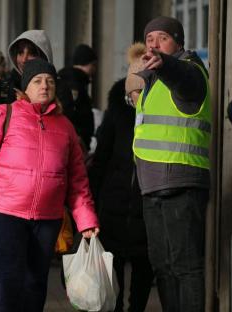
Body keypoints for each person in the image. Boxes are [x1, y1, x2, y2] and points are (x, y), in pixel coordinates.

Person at [0, 58, 99, 312]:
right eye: (37, 81)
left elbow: (77, 179)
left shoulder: (65, 126)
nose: (44, 86)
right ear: (25, 88)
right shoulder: (3, 115)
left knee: (36, 282)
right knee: (10, 279)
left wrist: (86, 220)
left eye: (50, 81)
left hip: (48, 218)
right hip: (7, 215)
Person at [133, 16, 211, 312]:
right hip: (152, 186)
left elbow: (182, 78)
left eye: (162, 37)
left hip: (181, 183)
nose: (154, 44)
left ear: (178, 42)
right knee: (163, 266)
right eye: (149, 38)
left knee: (186, 266)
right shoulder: (152, 81)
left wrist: (165, 64)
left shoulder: (188, 71)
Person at [89, 43, 154, 312]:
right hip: (115, 200)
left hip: (145, 198)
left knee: (143, 266)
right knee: (113, 263)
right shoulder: (117, 108)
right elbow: (102, 154)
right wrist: (91, 201)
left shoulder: (159, 108)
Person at [4, 30, 75, 120]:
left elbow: (66, 128)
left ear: (44, 56)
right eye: (20, 52)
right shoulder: (7, 84)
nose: (24, 59)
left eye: (31, 53)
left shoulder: (60, 89)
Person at [59, 44, 97, 151]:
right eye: (93, 65)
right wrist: (78, 138)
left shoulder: (74, 80)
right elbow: (68, 114)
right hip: (76, 144)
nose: (94, 69)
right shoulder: (74, 83)